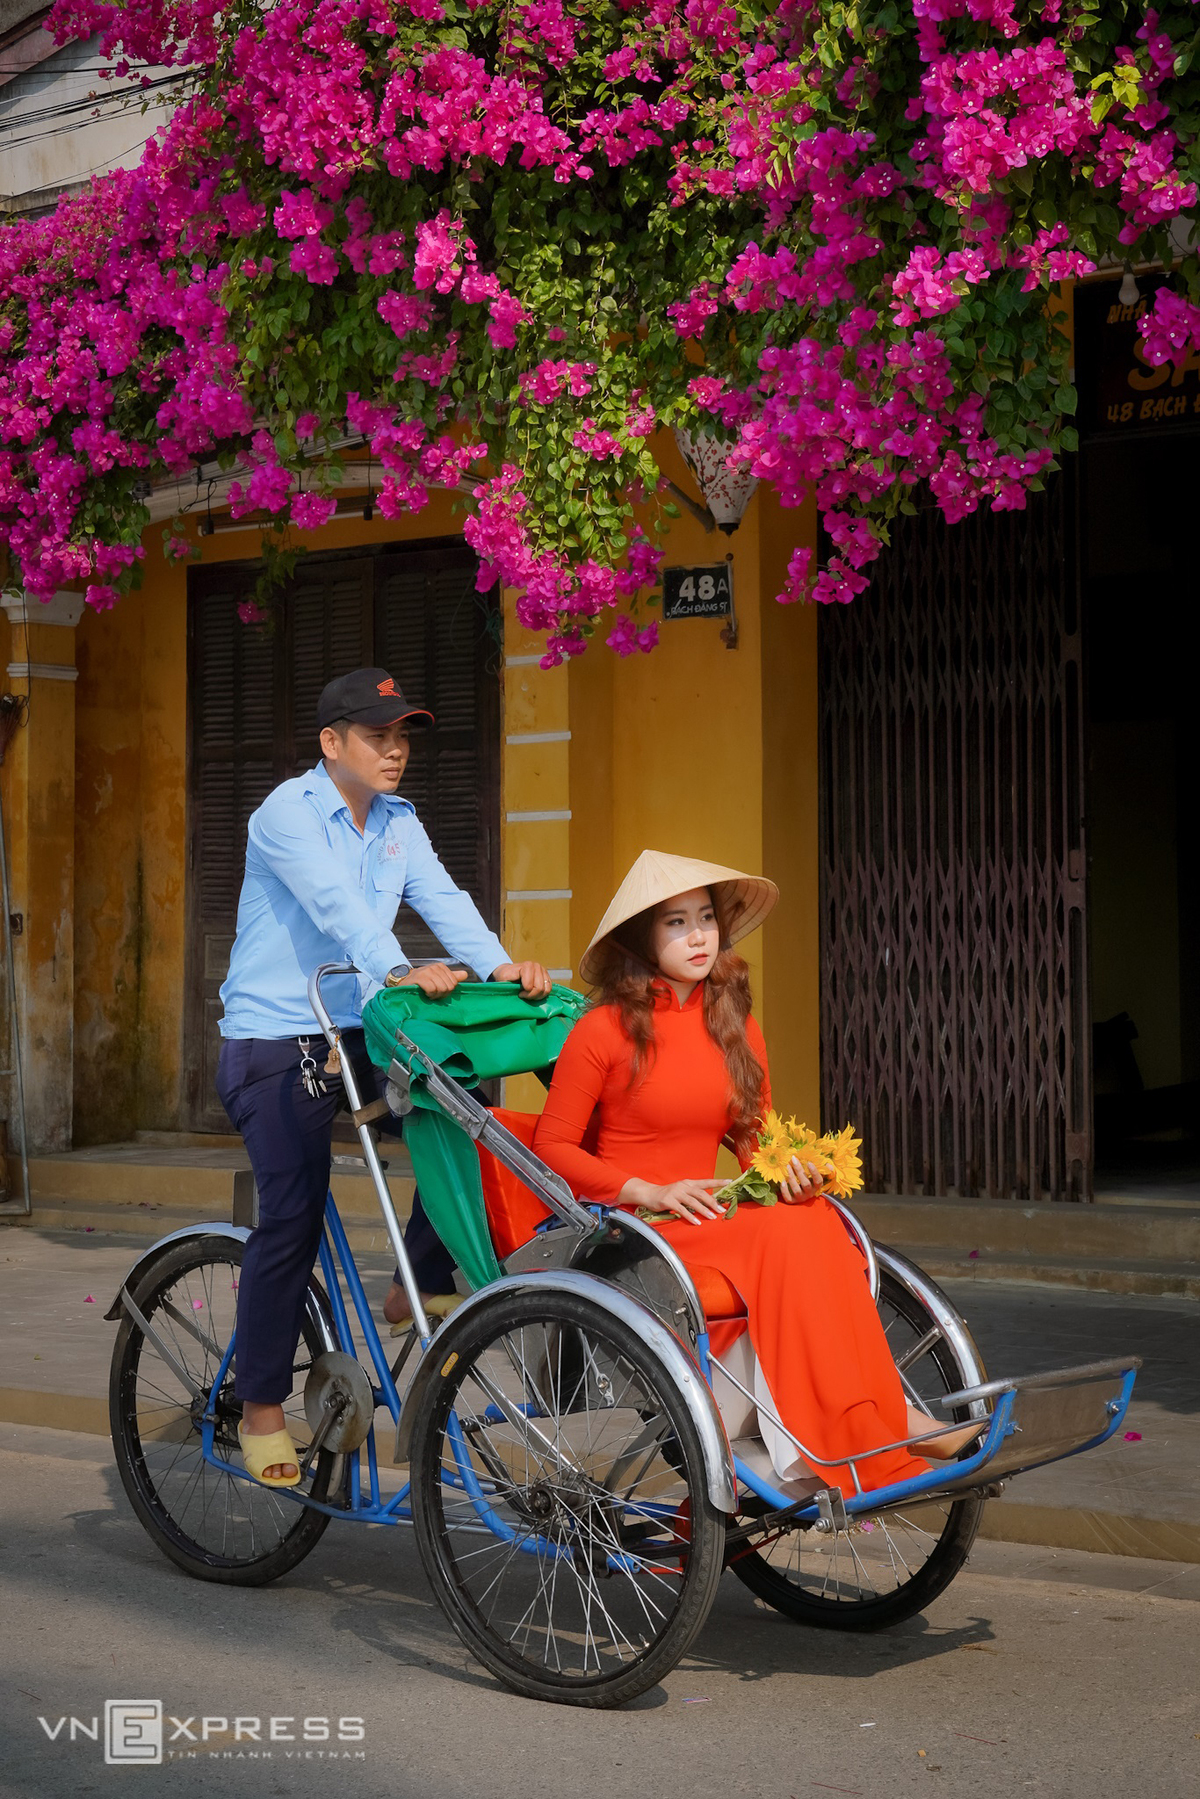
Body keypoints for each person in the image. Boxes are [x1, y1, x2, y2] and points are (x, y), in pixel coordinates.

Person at [533, 850, 978, 1494]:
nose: (697, 937)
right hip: (639, 1222)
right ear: (640, 940)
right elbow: (553, 1148)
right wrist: (649, 1189)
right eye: (676, 923)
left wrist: (793, 1171)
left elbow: (754, 1139)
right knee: (788, 1238)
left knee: (818, 1222)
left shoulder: (732, 1021)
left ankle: (877, 1417)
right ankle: (868, 1427)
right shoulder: (600, 1031)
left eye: (706, 919)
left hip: (710, 1212)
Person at [217, 666, 549, 1487]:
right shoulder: (284, 814)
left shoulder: (399, 820)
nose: (395, 750)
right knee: (291, 1215)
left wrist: (500, 964)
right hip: (274, 1038)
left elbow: (446, 898)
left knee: (468, 1120)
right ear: (333, 744)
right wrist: (398, 967)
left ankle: (419, 1277)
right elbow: (339, 907)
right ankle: (260, 1403)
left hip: (361, 1027)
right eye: (378, 735)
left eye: (403, 736)